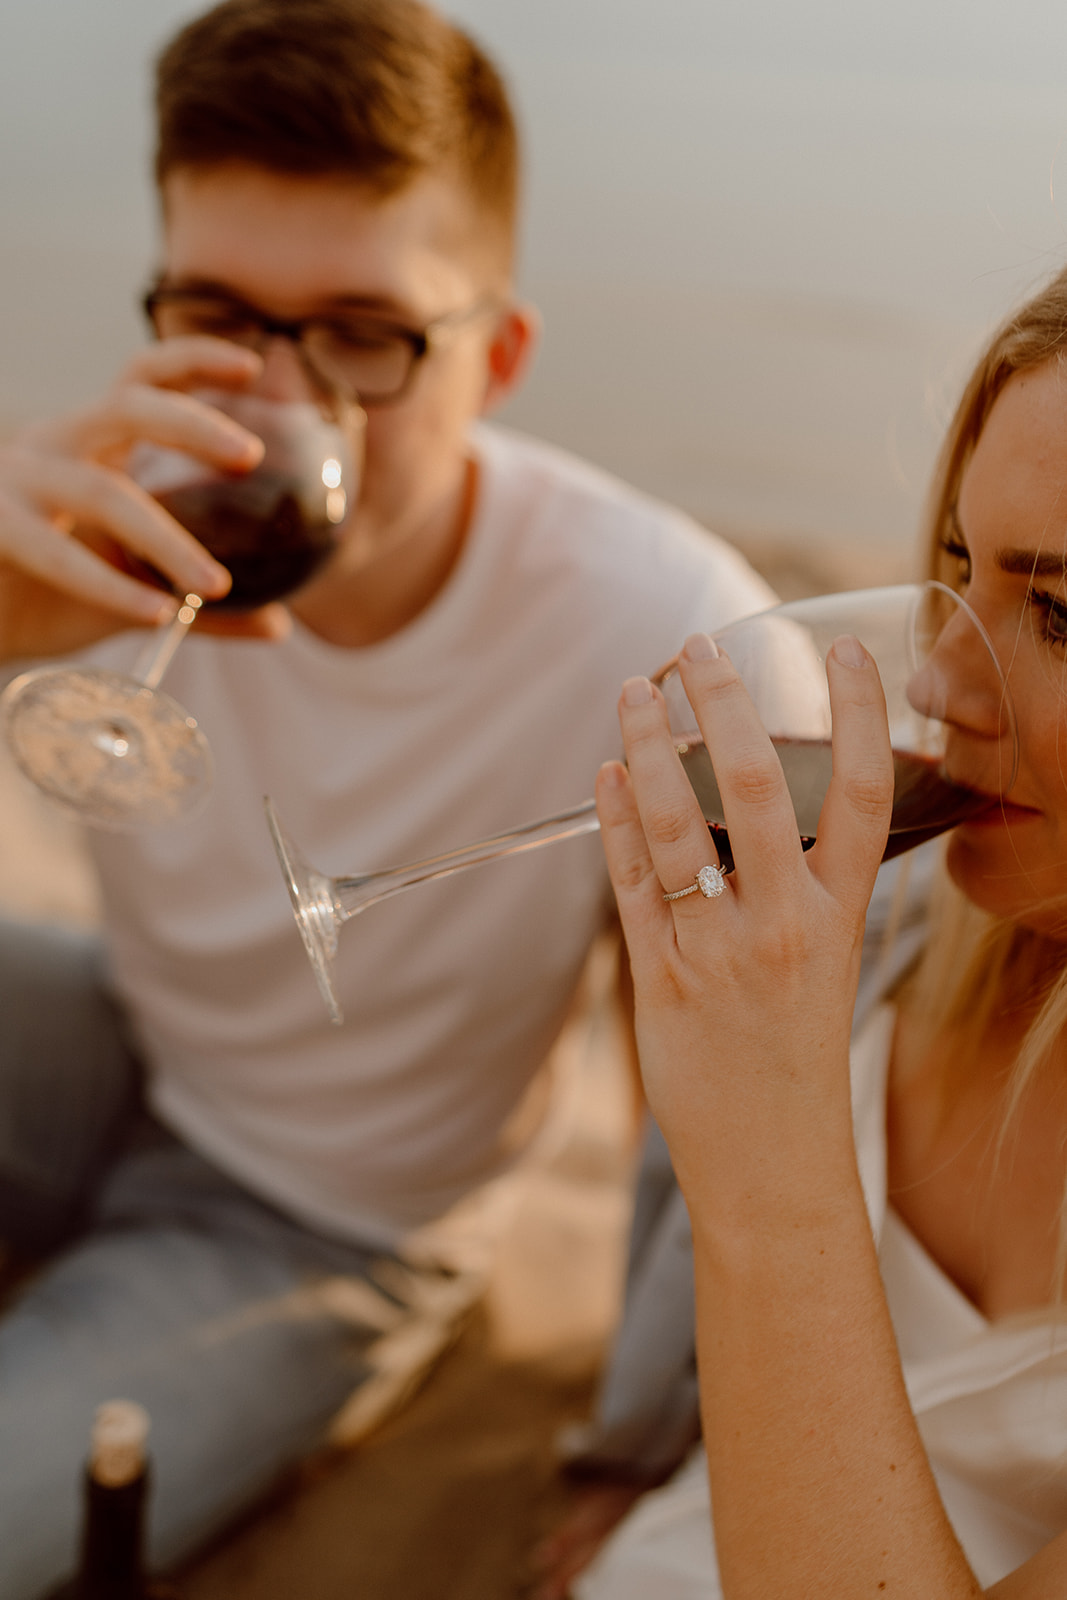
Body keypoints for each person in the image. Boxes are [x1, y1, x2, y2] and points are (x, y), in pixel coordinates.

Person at [0, 1, 776, 1594]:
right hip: (118, 1041)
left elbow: (706, 1109)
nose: (275, 398)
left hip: (328, 1224)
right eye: (219, 310)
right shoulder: (103, 526)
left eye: (361, 334)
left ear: (494, 356)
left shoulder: (657, 631)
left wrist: (643, 1447)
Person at [547, 264, 1067, 1597]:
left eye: (1061, 614)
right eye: (959, 567)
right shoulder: (897, 921)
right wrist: (622, 1457)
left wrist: (770, 1164)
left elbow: (746, 1191)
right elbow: (678, 1215)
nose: (940, 684)